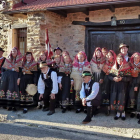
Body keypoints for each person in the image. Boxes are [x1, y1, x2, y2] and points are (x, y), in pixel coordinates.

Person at [109, 53, 131, 120]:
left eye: (121, 59)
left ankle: (123, 113)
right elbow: (109, 76)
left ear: (123, 59)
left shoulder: (126, 68)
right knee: (115, 98)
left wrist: (122, 79)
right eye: (118, 59)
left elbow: (129, 78)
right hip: (115, 86)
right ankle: (118, 113)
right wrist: (113, 78)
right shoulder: (114, 67)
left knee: (122, 99)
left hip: (123, 86)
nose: (119, 60)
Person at [100, 50, 116, 114]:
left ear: (113, 56)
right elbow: (102, 73)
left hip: (113, 81)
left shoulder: (115, 64)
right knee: (106, 93)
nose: (108, 56)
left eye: (110, 55)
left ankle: (113, 109)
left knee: (112, 93)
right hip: (106, 81)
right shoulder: (106, 64)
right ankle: (106, 109)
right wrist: (101, 78)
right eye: (108, 55)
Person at [129, 52, 140, 124]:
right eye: (135, 58)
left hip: (139, 83)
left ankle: (139, 112)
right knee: (132, 97)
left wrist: (137, 85)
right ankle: (132, 110)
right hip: (131, 82)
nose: (136, 59)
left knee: (139, 98)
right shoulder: (130, 65)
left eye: (138, 58)